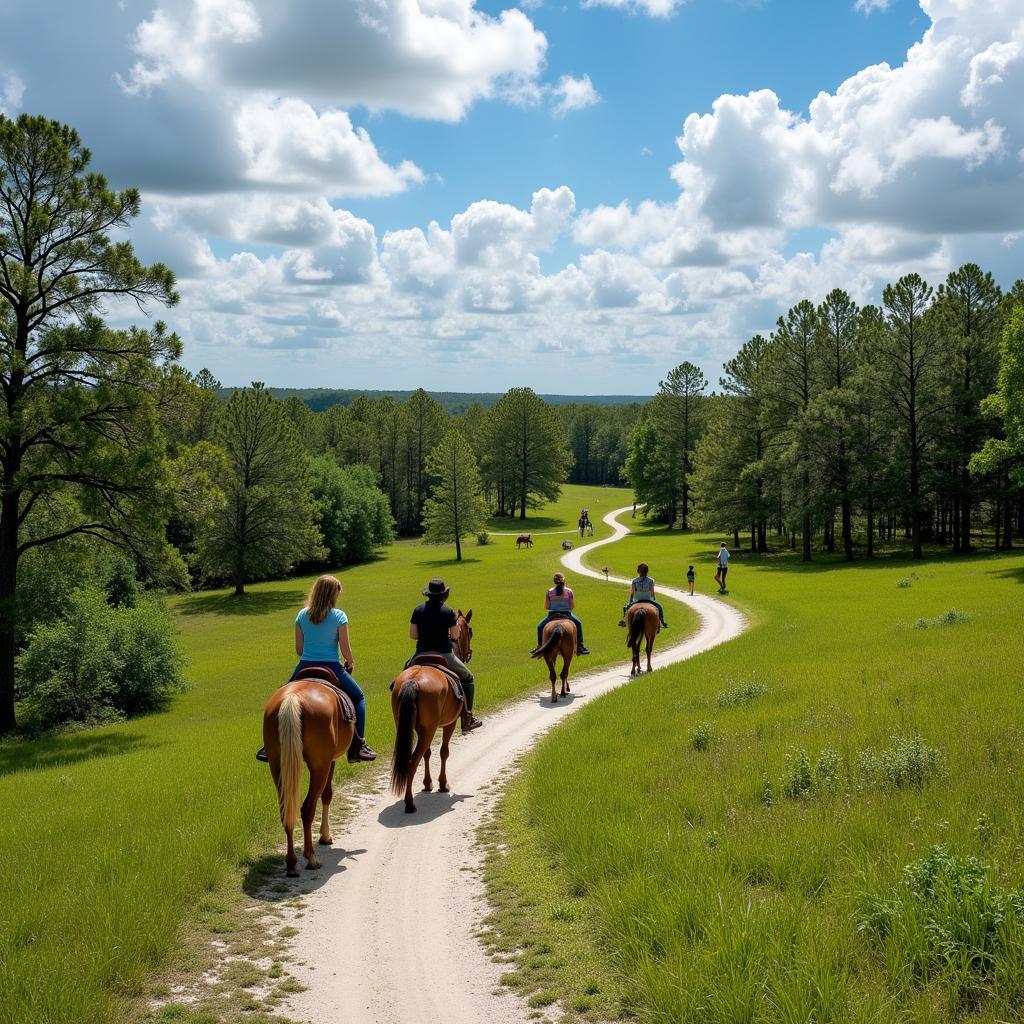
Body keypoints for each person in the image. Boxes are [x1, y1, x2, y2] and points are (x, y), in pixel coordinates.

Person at [256, 575, 376, 764]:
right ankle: (357, 746)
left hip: (304, 665)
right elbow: (345, 649)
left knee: (281, 697)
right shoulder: (339, 615)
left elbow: (299, 650)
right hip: (332, 666)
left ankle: (268, 744)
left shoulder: (302, 615)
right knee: (359, 696)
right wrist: (350, 662)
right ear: (332, 594)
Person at [409, 578, 483, 733]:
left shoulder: (417, 610)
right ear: (443, 595)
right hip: (444, 654)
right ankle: (468, 718)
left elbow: (413, 635)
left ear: (428, 594)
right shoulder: (448, 611)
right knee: (468, 677)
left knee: (405, 676)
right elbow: (455, 636)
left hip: (420, 653)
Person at [533, 572, 590, 656]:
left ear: (554, 582)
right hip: (566, 614)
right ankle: (580, 647)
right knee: (578, 624)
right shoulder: (569, 591)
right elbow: (572, 606)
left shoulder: (549, 592)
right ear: (564, 581)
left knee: (540, 627)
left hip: (552, 614)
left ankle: (540, 647)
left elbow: (547, 606)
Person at [618, 562, 668, 629]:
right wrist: (654, 600)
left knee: (627, 609)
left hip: (637, 600)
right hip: (648, 600)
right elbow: (652, 593)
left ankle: (625, 621)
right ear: (647, 571)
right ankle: (662, 622)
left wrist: (629, 602)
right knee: (660, 607)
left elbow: (632, 593)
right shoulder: (651, 581)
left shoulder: (634, 581)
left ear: (638, 571)